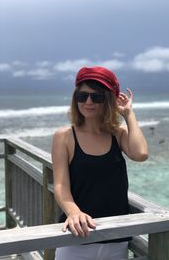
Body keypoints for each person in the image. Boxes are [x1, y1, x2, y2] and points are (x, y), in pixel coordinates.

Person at [52, 66, 148, 260]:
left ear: (108, 100)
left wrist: (128, 114)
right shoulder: (64, 136)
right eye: (82, 96)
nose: (88, 102)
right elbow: (61, 185)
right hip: (76, 238)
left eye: (97, 97)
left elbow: (141, 153)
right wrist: (74, 213)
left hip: (116, 237)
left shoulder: (118, 134)